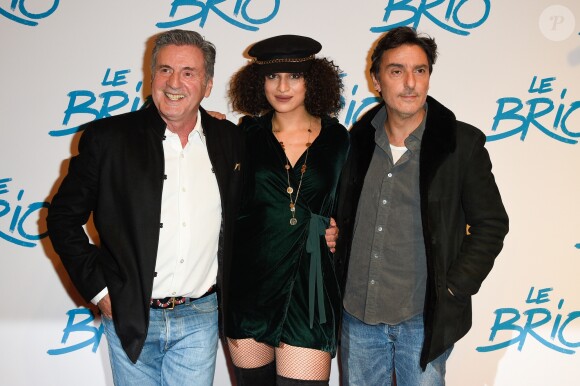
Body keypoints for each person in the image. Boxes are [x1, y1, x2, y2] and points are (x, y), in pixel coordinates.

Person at [46, 29, 244, 386]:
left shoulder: (230, 140)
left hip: (201, 315)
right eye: (165, 70)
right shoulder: (107, 139)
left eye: (189, 73)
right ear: (151, 76)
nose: (174, 83)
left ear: (208, 84)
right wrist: (102, 293)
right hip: (130, 313)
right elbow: (62, 219)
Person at [334, 26, 509, 386]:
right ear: (377, 80)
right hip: (357, 317)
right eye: (397, 71)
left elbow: (491, 225)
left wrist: (455, 287)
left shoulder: (460, 144)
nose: (410, 83)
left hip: (423, 319)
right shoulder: (355, 144)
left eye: (420, 70)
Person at [225, 35, 349, 386]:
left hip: (310, 291)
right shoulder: (242, 136)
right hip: (250, 286)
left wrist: (340, 231)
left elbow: (353, 208)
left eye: (294, 76)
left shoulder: (339, 140)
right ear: (257, 81)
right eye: (271, 76)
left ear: (313, 79)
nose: (282, 86)